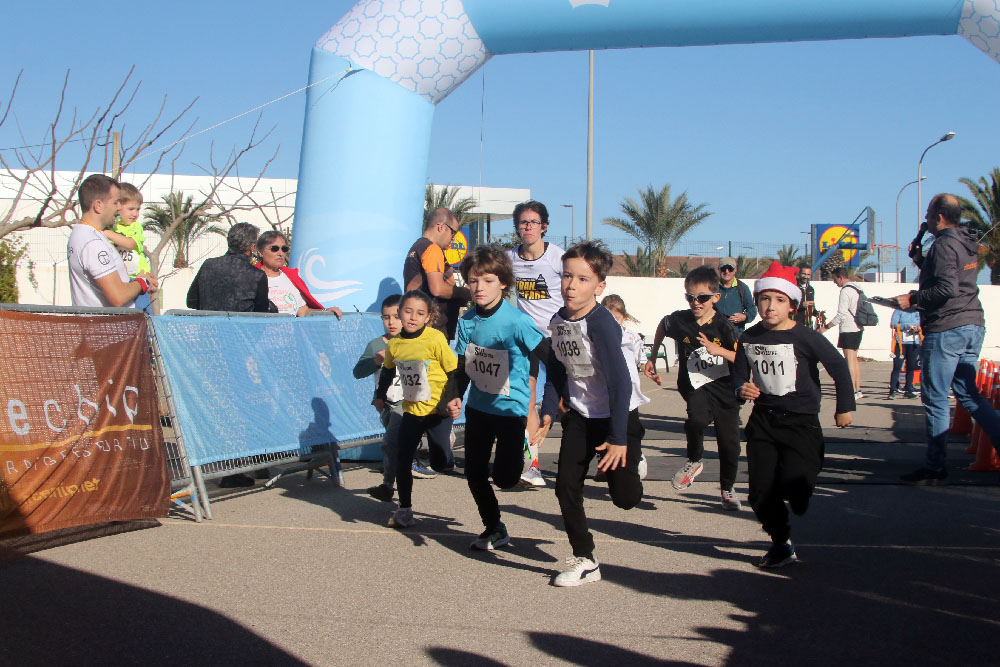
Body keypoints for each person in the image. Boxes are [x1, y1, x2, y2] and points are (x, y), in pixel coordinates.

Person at [533, 240, 643, 587]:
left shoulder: (601, 323)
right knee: (565, 486)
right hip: (581, 416)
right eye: (567, 276)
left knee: (626, 499)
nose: (571, 285)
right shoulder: (558, 319)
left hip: (617, 416)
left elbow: (621, 383)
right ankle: (586, 559)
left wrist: (619, 437)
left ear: (599, 286)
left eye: (582, 279)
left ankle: (634, 458)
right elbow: (556, 368)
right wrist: (548, 411)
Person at [734, 262, 855, 567]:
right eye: (764, 299)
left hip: (801, 421)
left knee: (795, 485)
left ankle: (800, 489)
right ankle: (781, 542)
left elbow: (839, 368)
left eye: (779, 300)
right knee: (760, 493)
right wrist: (741, 389)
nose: (770, 306)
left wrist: (844, 407)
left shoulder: (806, 337)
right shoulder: (749, 338)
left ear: (792, 305)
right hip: (764, 421)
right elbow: (738, 376)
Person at [443, 245, 546, 550]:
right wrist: (455, 395)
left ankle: (520, 450)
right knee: (474, 472)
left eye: (487, 280)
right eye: (473, 281)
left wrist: (557, 393)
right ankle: (494, 527)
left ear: (502, 282)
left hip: (511, 409)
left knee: (504, 478)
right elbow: (462, 364)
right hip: (479, 407)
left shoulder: (517, 321)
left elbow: (546, 355)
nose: (479, 287)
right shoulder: (467, 321)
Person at [894, 193, 1000, 484]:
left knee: (935, 398)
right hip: (972, 324)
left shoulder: (943, 244)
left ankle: (935, 465)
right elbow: (952, 279)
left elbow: (947, 289)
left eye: (928, 214)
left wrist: (913, 298)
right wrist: (921, 260)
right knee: (968, 395)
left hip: (946, 328)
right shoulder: (966, 241)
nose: (925, 219)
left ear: (938, 217)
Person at [643, 266, 742, 510]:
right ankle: (694, 461)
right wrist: (652, 356)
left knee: (729, 442)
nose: (696, 303)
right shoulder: (680, 320)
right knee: (696, 421)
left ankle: (727, 488)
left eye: (702, 298)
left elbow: (741, 358)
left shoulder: (724, 327)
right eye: (690, 297)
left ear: (715, 297)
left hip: (723, 389)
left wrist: (719, 350)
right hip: (694, 386)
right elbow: (663, 325)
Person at [374, 290, 457, 528]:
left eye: (420, 313)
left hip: (437, 410)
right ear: (400, 312)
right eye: (408, 311)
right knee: (403, 457)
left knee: (440, 462)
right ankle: (405, 509)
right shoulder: (396, 344)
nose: (412, 317)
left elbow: (453, 370)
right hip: (412, 408)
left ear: (428, 317)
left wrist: (452, 399)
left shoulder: (435, 338)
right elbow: (388, 370)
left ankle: (443, 457)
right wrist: (379, 395)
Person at [506, 200, 565, 488]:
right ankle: (532, 466)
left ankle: (606, 451)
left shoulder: (558, 258)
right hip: (527, 339)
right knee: (527, 400)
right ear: (517, 227)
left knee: (568, 403)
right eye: (523, 222)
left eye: (533, 222)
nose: (528, 227)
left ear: (544, 226)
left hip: (557, 338)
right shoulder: (509, 258)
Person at [354, 294, 426, 503]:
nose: (391, 322)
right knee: (395, 445)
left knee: (390, 442)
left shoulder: (415, 341)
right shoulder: (376, 344)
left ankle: (388, 486)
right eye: (386, 317)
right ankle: (404, 473)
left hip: (408, 402)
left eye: (396, 316)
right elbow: (358, 372)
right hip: (386, 404)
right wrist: (376, 361)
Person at [67, 174, 158, 308]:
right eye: (115, 202)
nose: (119, 207)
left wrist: (137, 286)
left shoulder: (84, 234)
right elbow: (118, 296)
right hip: (108, 321)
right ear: (98, 205)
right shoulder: (92, 243)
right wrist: (143, 282)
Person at [599, 294, 649, 482]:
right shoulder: (599, 336)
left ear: (624, 317)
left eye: (617, 318)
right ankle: (605, 462)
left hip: (629, 394)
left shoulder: (631, 337)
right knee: (604, 429)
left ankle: (636, 456)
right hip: (606, 392)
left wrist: (649, 369)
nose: (613, 323)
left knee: (631, 428)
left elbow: (641, 360)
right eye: (609, 319)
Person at [403, 207, 471, 339]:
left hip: (421, 330)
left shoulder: (416, 248)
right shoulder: (432, 249)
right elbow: (437, 289)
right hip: (433, 331)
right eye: (453, 232)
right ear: (441, 226)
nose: (453, 238)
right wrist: (466, 293)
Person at [254, 230, 343, 319]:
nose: (280, 253)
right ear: (260, 252)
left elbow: (303, 311)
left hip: (291, 328)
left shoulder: (291, 277)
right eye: (274, 249)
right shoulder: (251, 278)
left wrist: (326, 311)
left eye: (284, 249)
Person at [186, 222, 270, 314]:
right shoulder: (257, 275)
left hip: (209, 322)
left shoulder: (208, 265)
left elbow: (191, 301)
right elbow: (261, 311)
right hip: (241, 323)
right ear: (252, 247)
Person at [103, 182, 152, 314]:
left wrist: (108, 233)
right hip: (120, 278)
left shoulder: (136, 227)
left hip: (137, 276)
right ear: (118, 207)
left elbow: (130, 243)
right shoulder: (113, 226)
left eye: (137, 209)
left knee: (143, 313)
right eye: (130, 209)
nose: (135, 214)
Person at [818, 267, 863, 399]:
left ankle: (852, 391)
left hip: (848, 328)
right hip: (858, 327)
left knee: (849, 360)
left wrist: (826, 327)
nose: (834, 282)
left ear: (840, 277)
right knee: (854, 359)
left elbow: (841, 315)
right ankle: (858, 389)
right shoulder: (857, 288)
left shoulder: (846, 291)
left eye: (835, 279)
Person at [715, 257, 757, 335]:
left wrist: (744, 317)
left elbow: (752, 310)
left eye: (730, 268)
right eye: (723, 268)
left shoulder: (742, 288)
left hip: (736, 335)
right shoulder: (712, 287)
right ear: (719, 269)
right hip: (715, 334)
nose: (727, 271)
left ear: (735, 270)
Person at [888, 308, 921, 400]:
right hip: (900, 343)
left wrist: (917, 328)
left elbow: (921, 324)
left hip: (913, 343)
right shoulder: (899, 310)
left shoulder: (917, 311)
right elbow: (893, 324)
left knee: (911, 367)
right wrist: (906, 326)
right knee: (897, 367)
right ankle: (892, 391)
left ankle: (909, 390)